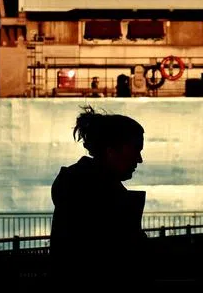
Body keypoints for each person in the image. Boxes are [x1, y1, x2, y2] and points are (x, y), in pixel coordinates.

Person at [48, 105, 148, 284]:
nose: (139, 159)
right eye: (135, 150)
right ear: (111, 151)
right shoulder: (104, 197)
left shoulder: (76, 186)